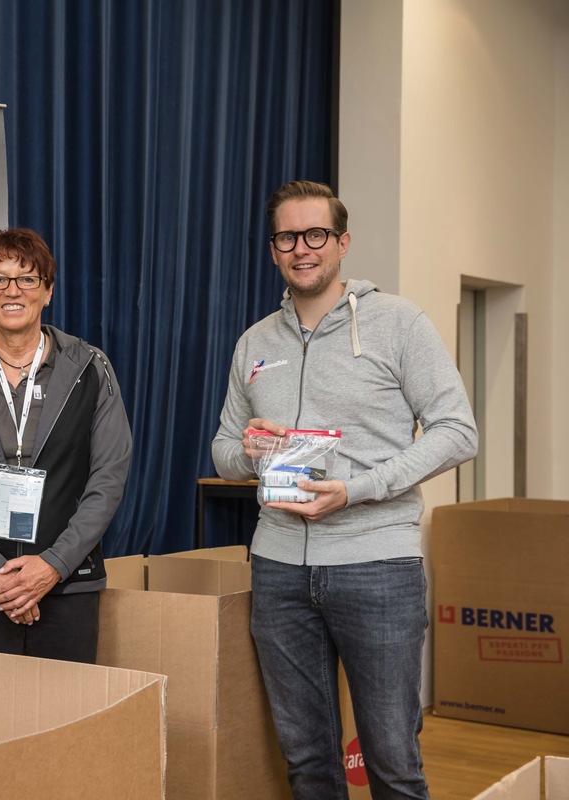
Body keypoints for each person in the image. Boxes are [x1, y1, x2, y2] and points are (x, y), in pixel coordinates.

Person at [211, 180, 477, 799]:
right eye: (287, 236)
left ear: (342, 242)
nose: (302, 248)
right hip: (278, 571)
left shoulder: (398, 322)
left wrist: (357, 490)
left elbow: (457, 431)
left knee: (391, 763)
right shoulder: (254, 342)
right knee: (307, 764)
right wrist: (249, 453)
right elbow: (223, 452)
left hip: (377, 566)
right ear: (273, 248)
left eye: (316, 234)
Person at [0, 227, 132, 663]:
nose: (12, 291)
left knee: (67, 719)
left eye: (27, 278)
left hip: (68, 582)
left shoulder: (92, 369)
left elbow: (107, 478)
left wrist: (51, 565)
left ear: (48, 291)